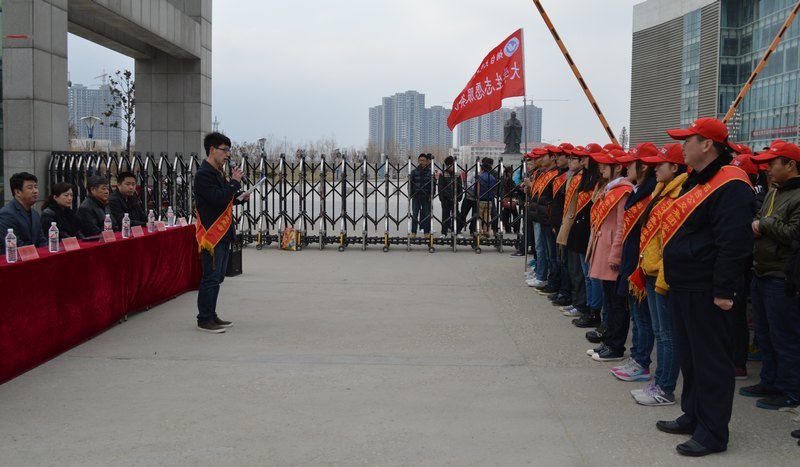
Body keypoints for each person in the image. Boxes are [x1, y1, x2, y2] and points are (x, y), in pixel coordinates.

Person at [656, 117, 754, 457]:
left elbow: (734, 244)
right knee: (691, 358)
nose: (682, 146)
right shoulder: (698, 181)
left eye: (688, 140)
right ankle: (694, 414)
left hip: (709, 288)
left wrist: (724, 291)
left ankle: (713, 432)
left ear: (707, 145)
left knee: (711, 361)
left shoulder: (732, 184)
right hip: (685, 285)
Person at [738, 141, 800, 411]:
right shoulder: (775, 192)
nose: (768, 168)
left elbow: (792, 234)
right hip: (761, 271)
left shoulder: (797, 195)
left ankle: (791, 391)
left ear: (790, 165)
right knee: (764, 334)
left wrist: (764, 223)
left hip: (781, 275)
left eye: (773, 163)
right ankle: (770, 381)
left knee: (784, 337)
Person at [627, 143, 688, 406]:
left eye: (660, 165)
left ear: (674, 167)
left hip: (663, 274)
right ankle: (659, 382)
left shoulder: (679, 194)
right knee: (660, 332)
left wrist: (661, 275)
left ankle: (665, 388)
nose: (655, 169)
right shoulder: (662, 191)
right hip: (650, 269)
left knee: (667, 334)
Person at [606, 144, 658, 383]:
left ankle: (641, 362)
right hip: (632, 258)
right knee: (637, 316)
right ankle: (637, 357)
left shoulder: (650, 194)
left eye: (632, 162)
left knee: (643, 318)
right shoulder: (639, 190)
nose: (627, 167)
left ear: (644, 166)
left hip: (642, 262)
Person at [193, 132, 248, 333]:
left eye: (228, 150)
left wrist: (240, 198)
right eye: (224, 150)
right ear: (212, 150)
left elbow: (224, 199)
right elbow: (216, 198)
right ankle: (204, 319)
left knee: (218, 278)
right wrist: (234, 183)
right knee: (210, 277)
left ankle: (211, 315)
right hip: (211, 235)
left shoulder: (217, 172)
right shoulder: (204, 174)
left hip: (224, 233)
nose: (227, 155)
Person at [586, 149, 633, 362]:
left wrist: (616, 255)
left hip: (612, 251)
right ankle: (608, 339)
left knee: (616, 303)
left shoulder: (623, 191)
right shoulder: (611, 188)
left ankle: (615, 346)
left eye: (606, 164)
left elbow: (623, 226)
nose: (601, 167)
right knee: (609, 299)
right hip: (604, 246)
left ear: (617, 167)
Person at [0, 172, 46, 253]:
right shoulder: (6, 214)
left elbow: (41, 239)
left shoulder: (35, 214)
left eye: (36, 187)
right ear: (18, 192)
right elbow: (16, 245)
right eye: (30, 187)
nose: (35, 191)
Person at [410, 153, 434, 237]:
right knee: (415, 214)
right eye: (420, 160)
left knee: (427, 215)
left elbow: (433, 185)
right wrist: (411, 194)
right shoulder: (414, 172)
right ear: (418, 161)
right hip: (416, 197)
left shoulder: (430, 173)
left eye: (423, 160)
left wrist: (431, 196)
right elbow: (410, 184)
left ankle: (426, 232)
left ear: (427, 161)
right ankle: (413, 232)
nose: (422, 162)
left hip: (426, 197)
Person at [437, 156, 462, 237]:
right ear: (447, 165)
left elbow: (460, 187)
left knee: (456, 215)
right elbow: (440, 187)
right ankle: (444, 232)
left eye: (454, 165)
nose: (453, 167)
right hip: (446, 199)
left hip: (454, 199)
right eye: (451, 165)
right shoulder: (443, 174)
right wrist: (442, 198)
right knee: (445, 216)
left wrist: (459, 197)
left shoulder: (457, 174)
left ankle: (456, 232)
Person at [477, 157, 497, 237]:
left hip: (481, 199)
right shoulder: (492, 177)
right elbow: (494, 189)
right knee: (487, 217)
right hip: (489, 200)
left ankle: (479, 230)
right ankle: (486, 231)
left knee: (480, 216)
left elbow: (477, 188)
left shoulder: (480, 177)